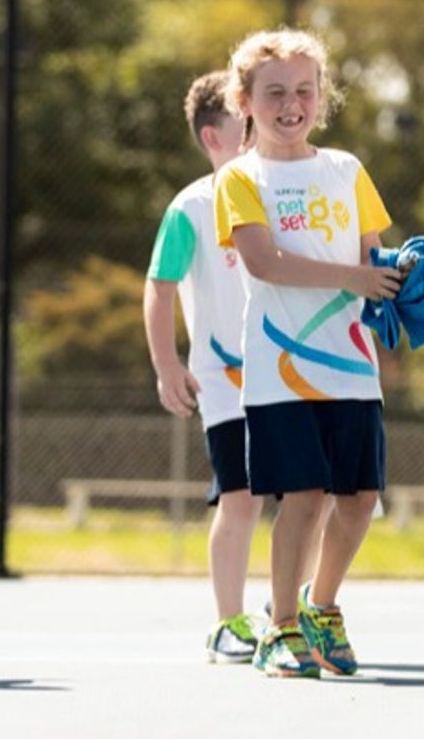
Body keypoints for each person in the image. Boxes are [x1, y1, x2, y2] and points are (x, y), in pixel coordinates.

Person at [214, 30, 400, 679]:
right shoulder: (240, 178)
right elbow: (263, 263)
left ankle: (321, 609)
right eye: (274, 93)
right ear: (244, 100)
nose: (291, 104)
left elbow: (375, 258)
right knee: (304, 494)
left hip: (351, 365)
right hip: (279, 372)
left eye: (303, 90)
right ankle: (281, 627)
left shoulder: (346, 169)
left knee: (359, 497)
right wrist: (352, 279)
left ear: (321, 96)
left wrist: (422, 289)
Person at [144, 70, 265, 663]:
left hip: (289, 372)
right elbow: (160, 288)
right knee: (240, 499)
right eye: (248, 123)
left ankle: (290, 609)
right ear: (215, 138)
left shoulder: (279, 192)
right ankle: (228, 621)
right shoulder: (189, 209)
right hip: (225, 379)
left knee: (309, 494)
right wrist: (167, 363)